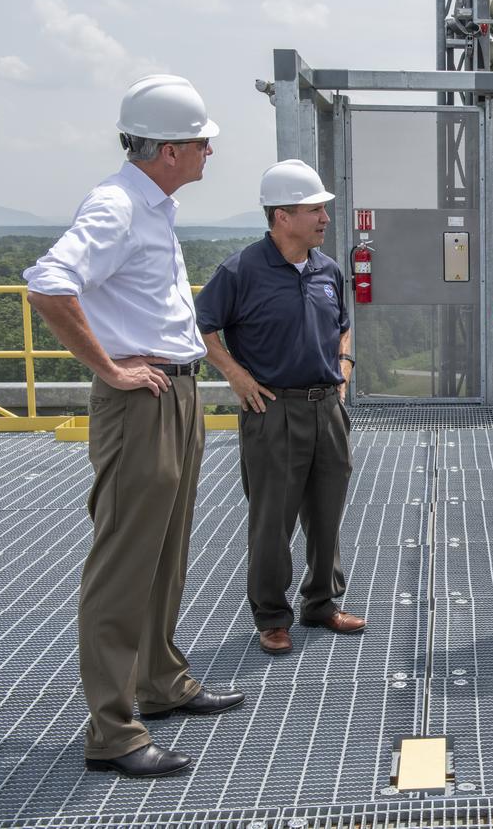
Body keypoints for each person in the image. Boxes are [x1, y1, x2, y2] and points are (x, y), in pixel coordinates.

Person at [23, 75, 243, 779]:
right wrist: (111, 369)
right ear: (171, 149)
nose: (210, 149)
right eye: (202, 140)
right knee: (124, 563)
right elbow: (50, 283)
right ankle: (113, 729)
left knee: (166, 550)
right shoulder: (118, 206)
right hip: (140, 400)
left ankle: (159, 679)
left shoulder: (155, 205)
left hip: (175, 393)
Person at [195, 159, 363, 656]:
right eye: (315, 210)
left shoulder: (326, 269)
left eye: (323, 210)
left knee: (327, 512)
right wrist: (235, 374)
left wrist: (345, 363)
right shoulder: (241, 270)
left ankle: (321, 602)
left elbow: (343, 323)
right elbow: (201, 327)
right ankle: (271, 615)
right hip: (273, 410)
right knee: (273, 518)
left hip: (326, 407)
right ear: (282, 216)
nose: (325, 219)